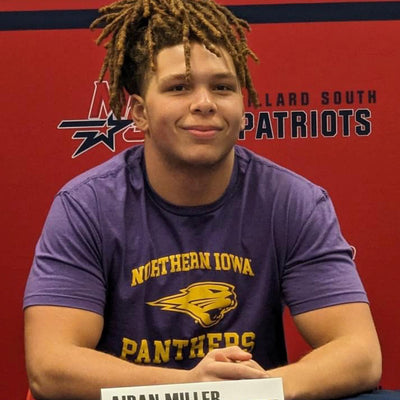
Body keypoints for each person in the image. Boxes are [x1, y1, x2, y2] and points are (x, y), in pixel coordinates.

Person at [23, 0, 386, 399]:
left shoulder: (293, 201)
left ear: (242, 104)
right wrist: (192, 388)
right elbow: (50, 366)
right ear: (140, 112)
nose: (205, 102)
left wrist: (259, 391)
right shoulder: (86, 207)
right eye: (179, 87)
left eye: (222, 87)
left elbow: (360, 353)